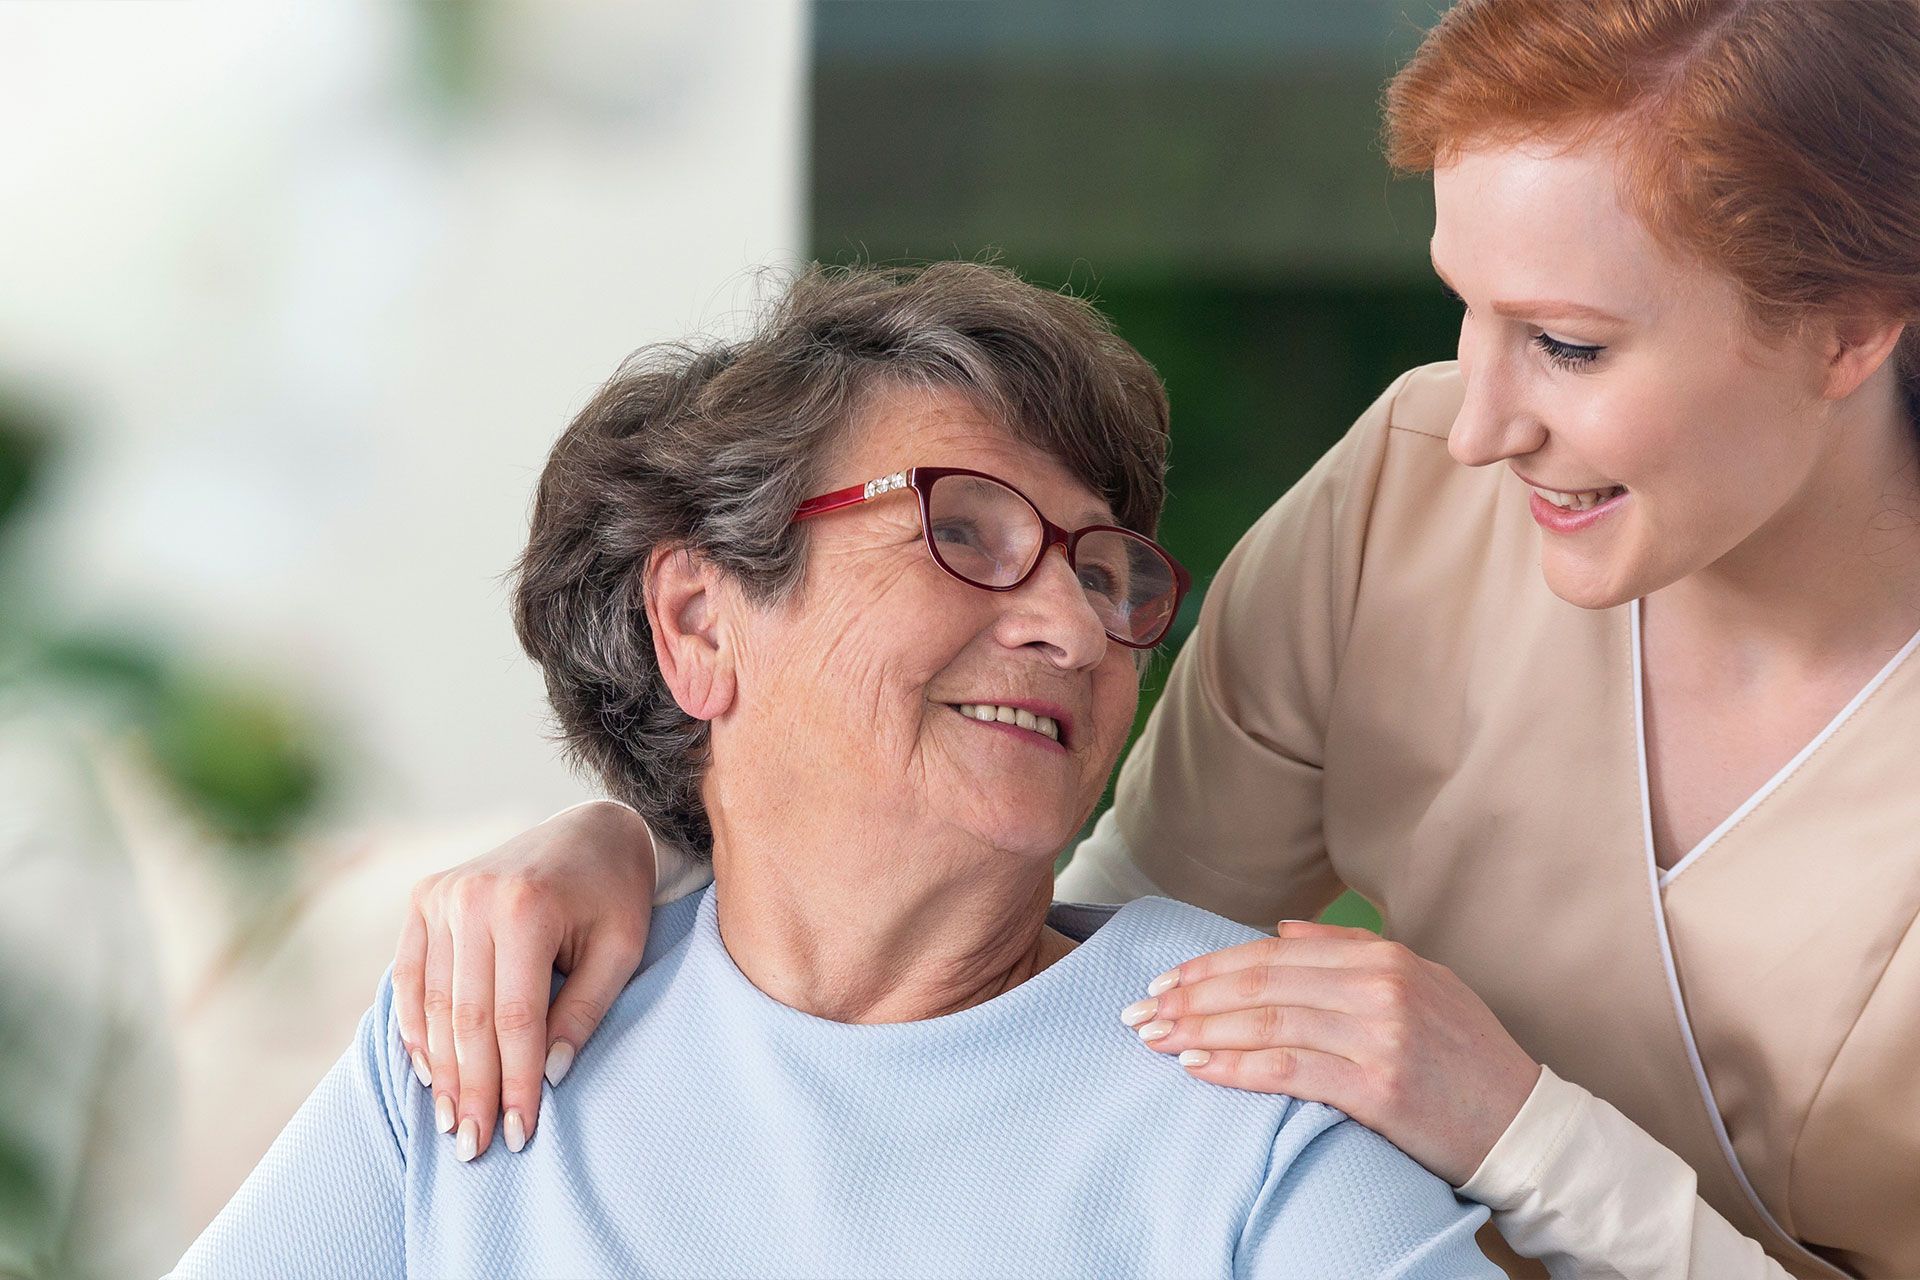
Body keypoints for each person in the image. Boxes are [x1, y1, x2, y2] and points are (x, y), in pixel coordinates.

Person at [385, 2, 1920, 1277]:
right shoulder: (1410, 509)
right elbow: (1036, 961)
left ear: (1854, 326)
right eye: (1467, 310)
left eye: (1570, 344)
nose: (1483, 423)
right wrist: (652, 858)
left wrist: (1523, 1131)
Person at [170, 262, 1498, 1278]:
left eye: (1105, 570)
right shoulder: (485, 1039)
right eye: (965, 531)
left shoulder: (1250, 1094)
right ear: (699, 623)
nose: (1076, 624)